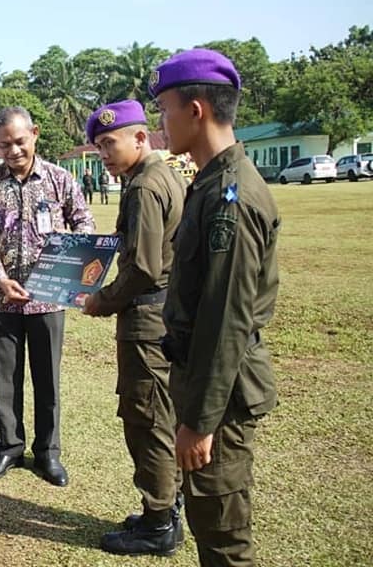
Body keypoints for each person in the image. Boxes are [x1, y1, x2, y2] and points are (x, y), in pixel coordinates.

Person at [152, 48, 280, 566]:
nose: (162, 124)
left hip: (220, 399)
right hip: (205, 383)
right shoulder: (207, 184)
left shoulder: (232, 196)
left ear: (196, 109)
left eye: (165, 109)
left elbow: (226, 319)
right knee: (209, 524)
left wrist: (200, 422)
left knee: (224, 538)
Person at [81, 100, 187, 557]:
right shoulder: (160, 176)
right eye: (99, 145)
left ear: (140, 138)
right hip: (164, 314)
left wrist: (101, 300)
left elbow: (142, 268)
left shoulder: (145, 185)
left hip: (147, 321)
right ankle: (165, 509)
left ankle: (159, 522)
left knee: (147, 420)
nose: (104, 153)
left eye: (110, 142)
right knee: (160, 416)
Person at [0, 106, 95, 486]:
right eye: (5, 144)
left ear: (35, 134)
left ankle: (48, 452)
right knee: (4, 379)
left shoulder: (60, 180)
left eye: (20, 141)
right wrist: (0, 277)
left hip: (50, 299)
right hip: (2, 298)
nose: (14, 151)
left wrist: (71, 271)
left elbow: (84, 223)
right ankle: (8, 447)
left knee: (47, 379)